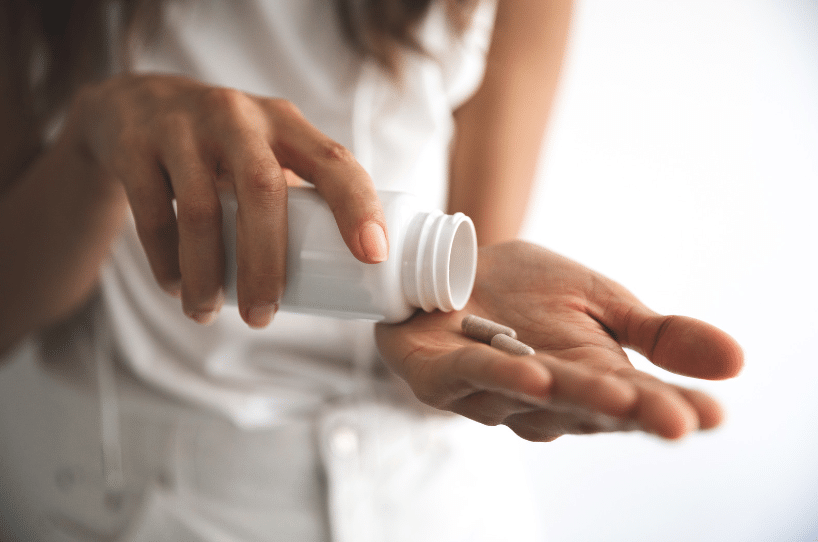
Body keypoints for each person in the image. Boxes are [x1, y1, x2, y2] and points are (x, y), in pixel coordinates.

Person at [0, 0, 743, 541]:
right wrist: (92, 145)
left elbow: (465, 266)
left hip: (434, 501)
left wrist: (474, 325)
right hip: (128, 501)